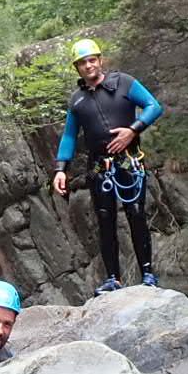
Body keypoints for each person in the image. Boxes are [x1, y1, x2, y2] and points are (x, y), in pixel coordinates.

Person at [52, 38, 165, 293]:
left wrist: (132, 130)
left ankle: (148, 274)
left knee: (136, 214)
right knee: (105, 221)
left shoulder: (124, 82)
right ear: (77, 68)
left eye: (92, 60)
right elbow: (69, 135)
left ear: (100, 61)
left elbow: (153, 106)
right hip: (99, 166)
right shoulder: (77, 100)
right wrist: (60, 169)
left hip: (129, 160)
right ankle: (113, 278)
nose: (88, 66)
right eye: (82, 63)